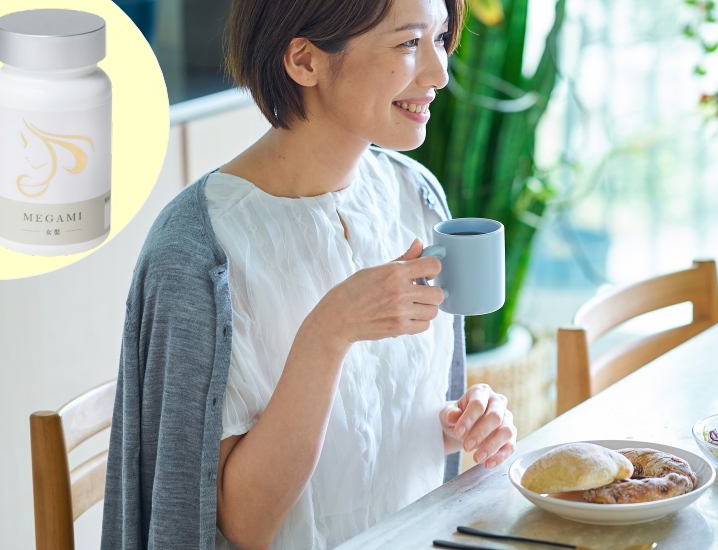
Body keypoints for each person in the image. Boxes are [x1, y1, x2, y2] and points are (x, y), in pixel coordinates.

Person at [102, 0, 517, 549]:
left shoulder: (416, 198)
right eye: (408, 43)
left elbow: (369, 430)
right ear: (304, 60)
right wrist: (327, 333)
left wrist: (458, 423)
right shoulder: (200, 250)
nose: (440, 73)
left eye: (440, 39)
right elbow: (241, 525)